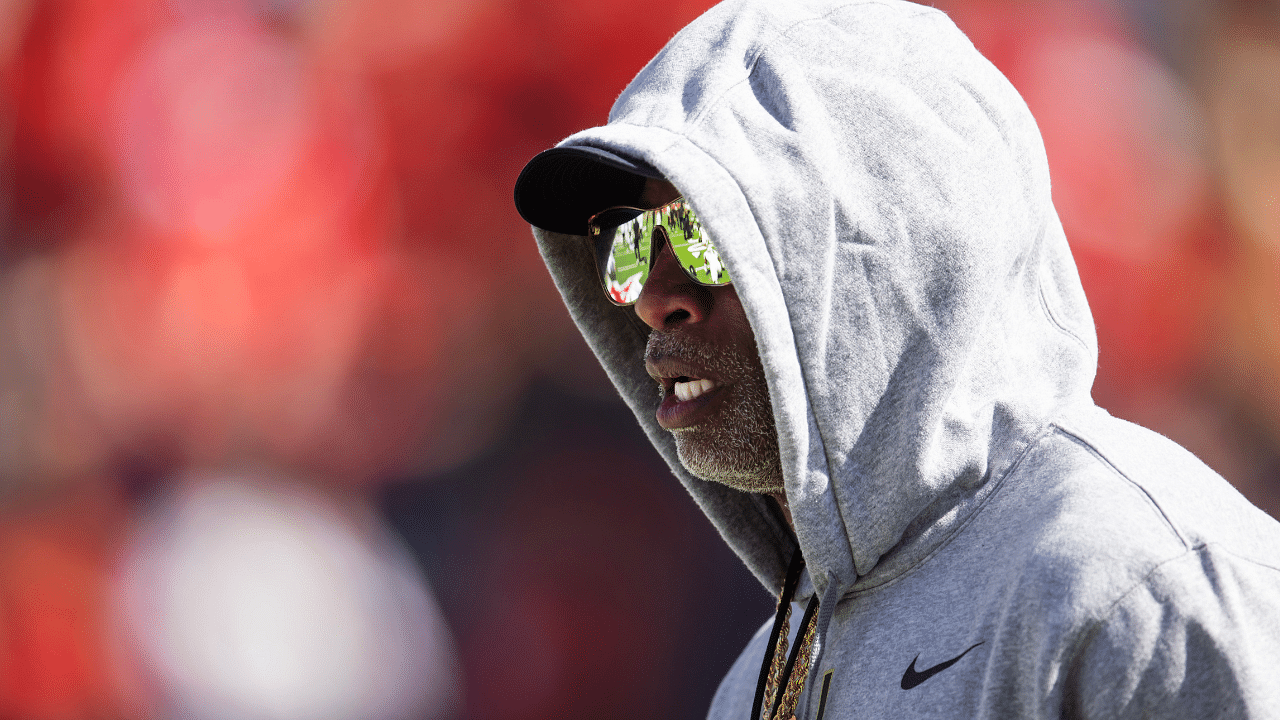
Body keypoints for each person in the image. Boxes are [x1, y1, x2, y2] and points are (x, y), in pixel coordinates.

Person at [512, 0, 1280, 717]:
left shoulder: (1140, 584)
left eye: (708, 231)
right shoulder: (760, 677)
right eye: (629, 237)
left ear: (883, 244)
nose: (654, 299)